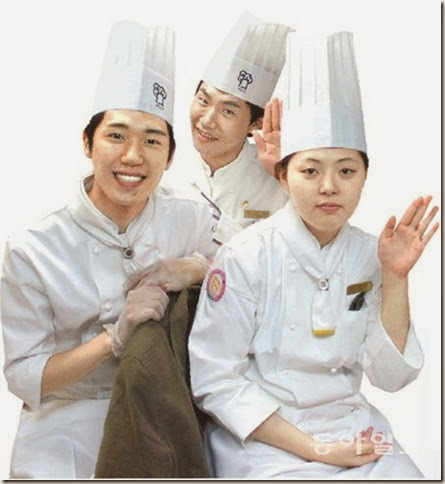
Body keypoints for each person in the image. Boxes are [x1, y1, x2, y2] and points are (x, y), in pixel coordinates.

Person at [188, 31, 439, 479]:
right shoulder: (245, 255)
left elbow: (391, 378)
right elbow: (215, 381)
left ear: (364, 177)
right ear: (283, 176)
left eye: (346, 170)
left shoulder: (371, 253)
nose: (329, 187)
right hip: (263, 439)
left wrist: (395, 277)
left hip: (355, 427)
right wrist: (317, 450)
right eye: (310, 170)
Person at [1, 20, 219, 479]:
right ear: (87, 143)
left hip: (167, 410)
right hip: (66, 419)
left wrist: (197, 266)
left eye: (152, 140)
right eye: (116, 135)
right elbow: (23, 376)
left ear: (170, 156)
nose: (133, 156)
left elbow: (256, 266)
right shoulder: (32, 248)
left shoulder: (193, 215)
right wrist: (113, 338)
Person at [163, 11, 292, 241]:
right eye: (203, 100)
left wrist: (286, 176)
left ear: (256, 123)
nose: (207, 120)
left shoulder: (278, 180)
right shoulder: (163, 165)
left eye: (228, 111)